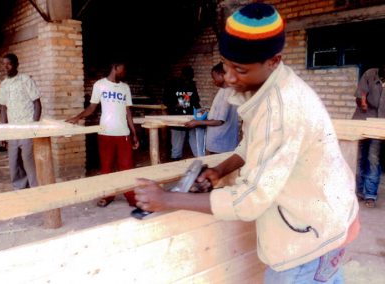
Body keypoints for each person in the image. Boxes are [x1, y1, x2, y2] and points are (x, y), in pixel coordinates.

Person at [134, 3, 360, 283]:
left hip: (307, 242)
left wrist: (167, 199)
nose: (229, 78)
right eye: (226, 65)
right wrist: (221, 170)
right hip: (326, 220)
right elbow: (253, 144)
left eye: (239, 69)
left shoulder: (281, 109)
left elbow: (249, 200)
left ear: (274, 60)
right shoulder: (269, 87)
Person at [67, 59, 139, 207]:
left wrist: (134, 133)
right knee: (106, 167)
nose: (124, 72)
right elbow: (92, 107)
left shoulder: (125, 88)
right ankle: (108, 196)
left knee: (127, 167)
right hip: (105, 133)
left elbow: (128, 112)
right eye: (123, 69)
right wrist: (78, 117)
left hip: (123, 133)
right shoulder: (100, 85)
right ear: (115, 67)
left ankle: (131, 197)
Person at [0, 53, 41, 190]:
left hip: (27, 127)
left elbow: (37, 104)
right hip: (12, 129)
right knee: (14, 162)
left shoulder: (25, 80)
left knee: (28, 160)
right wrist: (4, 131)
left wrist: (34, 126)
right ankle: (20, 189)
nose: (6, 67)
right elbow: (3, 108)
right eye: (4, 64)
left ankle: (35, 189)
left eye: (9, 64)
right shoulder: (4, 84)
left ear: (16, 64)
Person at [184, 62, 239, 154]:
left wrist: (197, 122)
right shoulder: (224, 90)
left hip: (221, 144)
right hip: (221, 142)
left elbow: (219, 121)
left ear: (221, 75)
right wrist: (208, 111)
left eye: (214, 77)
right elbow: (219, 112)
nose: (213, 80)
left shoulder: (227, 93)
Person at [352, 65, 385, 208]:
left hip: (379, 125)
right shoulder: (370, 74)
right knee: (359, 157)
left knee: (373, 158)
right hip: (362, 120)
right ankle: (356, 192)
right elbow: (360, 95)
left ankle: (370, 195)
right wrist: (363, 102)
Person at [163, 66, 204, 159]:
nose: (188, 81)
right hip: (176, 120)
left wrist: (199, 113)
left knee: (196, 146)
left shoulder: (192, 85)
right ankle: (176, 164)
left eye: (190, 78)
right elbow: (166, 101)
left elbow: (196, 102)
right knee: (176, 148)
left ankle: (200, 161)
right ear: (182, 75)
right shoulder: (172, 84)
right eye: (186, 78)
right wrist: (177, 105)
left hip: (190, 119)